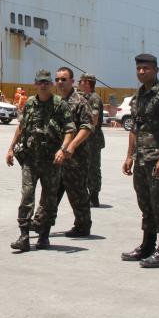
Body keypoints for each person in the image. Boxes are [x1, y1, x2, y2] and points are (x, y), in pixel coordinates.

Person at [5, 70, 76, 252]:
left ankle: (44, 235)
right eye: (40, 82)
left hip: (52, 160)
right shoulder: (29, 103)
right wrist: (11, 148)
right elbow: (21, 127)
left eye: (46, 82)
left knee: (49, 199)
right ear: (35, 84)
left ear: (50, 84)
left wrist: (63, 149)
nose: (43, 85)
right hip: (30, 158)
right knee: (27, 195)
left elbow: (70, 130)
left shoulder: (60, 105)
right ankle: (24, 236)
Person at [121, 53, 159, 268]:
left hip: (157, 160)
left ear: (156, 70)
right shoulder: (138, 97)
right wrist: (129, 156)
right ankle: (147, 245)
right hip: (141, 160)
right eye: (138, 68)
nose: (141, 72)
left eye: (146, 68)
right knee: (145, 203)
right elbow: (135, 129)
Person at [50, 67, 95, 237]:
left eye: (64, 79)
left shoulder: (80, 102)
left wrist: (72, 145)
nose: (60, 83)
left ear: (72, 81)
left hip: (76, 156)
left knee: (76, 190)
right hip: (57, 153)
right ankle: (44, 219)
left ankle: (83, 225)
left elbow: (87, 126)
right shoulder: (56, 101)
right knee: (53, 188)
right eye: (58, 79)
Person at [78, 73, 105, 207]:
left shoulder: (94, 98)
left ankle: (94, 195)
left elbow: (94, 119)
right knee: (84, 167)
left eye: (81, 81)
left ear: (87, 83)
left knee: (93, 167)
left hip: (93, 138)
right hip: (85, 138)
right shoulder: (84, 97)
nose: (79, 83)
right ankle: (87, 194)